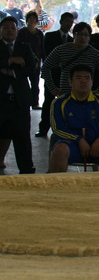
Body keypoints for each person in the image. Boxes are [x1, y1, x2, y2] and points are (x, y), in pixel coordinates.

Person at [48, 64, 99, 172]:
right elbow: (57, 129)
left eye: (87, 78)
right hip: (72, 146)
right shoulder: (59, 103)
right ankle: (57, 182)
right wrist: (79, 139)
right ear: (70, 81)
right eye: (78, 78)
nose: (83, 81)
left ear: (92, 81)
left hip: (98, 147)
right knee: (60, 149)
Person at [0, 16, 36, 173]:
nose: (9, 30)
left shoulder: (24, 47)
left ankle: (27, 170)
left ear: (17, 31)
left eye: (12, 28)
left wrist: (11, 72)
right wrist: (11, 60)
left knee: (22, 137)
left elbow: (31, 69)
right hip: (1, 101)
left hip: (19, 101)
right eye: (6, 28)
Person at [41, 22, 99, 98]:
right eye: (80, 34)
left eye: (86, 35)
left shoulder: (95, 53)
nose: (83, 37)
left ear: (89, 37)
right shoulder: (61, 50)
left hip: (86, 95)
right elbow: (45, 67)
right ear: (74, 35)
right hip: (66, 94)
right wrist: (52, 89)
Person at [36, 12, 75, 138]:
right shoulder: (50, 36)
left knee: (66, 102)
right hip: (52, 74)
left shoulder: (72, 40)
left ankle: (63, 129)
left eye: (71, 22)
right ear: (61, 21)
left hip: (66, 77)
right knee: (48, 101)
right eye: (66, 21)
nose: (68, 24)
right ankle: (43, 128)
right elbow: (47, 53)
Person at [16, 11, 45, 108]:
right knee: (22, 83)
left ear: (36, 20)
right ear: (26, 20)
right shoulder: (21, 32)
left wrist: (44, 61)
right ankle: (22, 102)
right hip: (23, 62)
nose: (32, 20)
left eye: (34, 18)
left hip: (36, 63)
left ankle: (35, 103)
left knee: (35, 84)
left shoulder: (40, 33)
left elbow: (42, 48)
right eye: (30, 18)